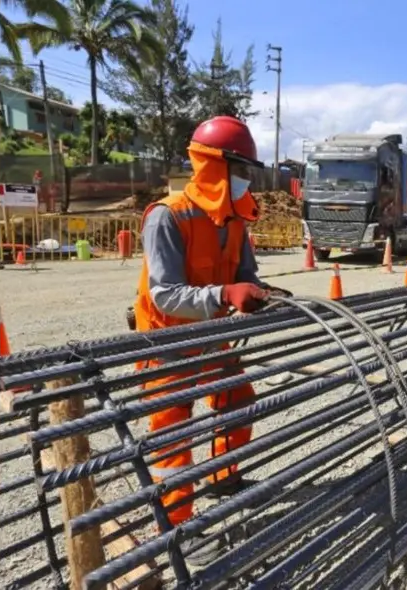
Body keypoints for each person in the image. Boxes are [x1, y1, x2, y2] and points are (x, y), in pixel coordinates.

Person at [132, 115, 276, 561]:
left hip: (211, 336)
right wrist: (225, 294)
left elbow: (244, 273)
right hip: (168, 343)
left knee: (238, 400)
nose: (246, 179)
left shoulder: (235, 218)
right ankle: (177, 530)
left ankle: (222, 476)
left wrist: (258, 291)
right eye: (242, 169)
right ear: (216, 165)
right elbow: (166, 294)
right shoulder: (167, 217)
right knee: (173, 434)